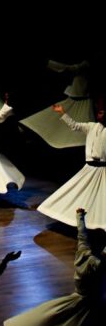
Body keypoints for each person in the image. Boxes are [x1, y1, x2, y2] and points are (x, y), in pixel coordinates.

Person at [4, 209, 105, 326]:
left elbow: (82, 235)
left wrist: (80, 217)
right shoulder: (98, 264)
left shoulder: (82, 252)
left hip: (81, 299)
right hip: (92, 306)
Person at [36, 98, 106, 230]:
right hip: (89, 168)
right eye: (100, 112)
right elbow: (75, 125)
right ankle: (76, 218)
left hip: (102, 170)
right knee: (78, 191)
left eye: (103, 113)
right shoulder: (91, 126)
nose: (100, 114)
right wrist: (62, 113)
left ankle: (99, 223)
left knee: (102, 199)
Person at [20, 59, 95, 149]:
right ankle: (30, 132)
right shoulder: (85, 64)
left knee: (81, 124)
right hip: (76, 98)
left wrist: (49, 63)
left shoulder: (86, 64)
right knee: (54, 115)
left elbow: (71, 69)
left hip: (81, 100)